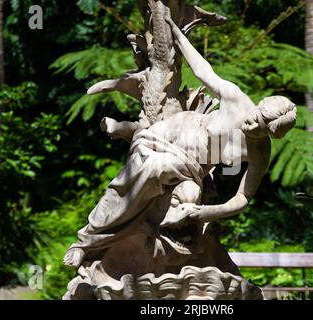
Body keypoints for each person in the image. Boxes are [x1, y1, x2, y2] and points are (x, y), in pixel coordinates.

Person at [63, 16, 296, 268]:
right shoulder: (236, 99)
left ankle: (126, 131)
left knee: (189, 195)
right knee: (144, 174)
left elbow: (242, 198)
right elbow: (202, 70)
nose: (251, 126)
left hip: (191, 168)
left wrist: (206, 212)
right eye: (255, 118)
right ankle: (86, 242)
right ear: (260, 106)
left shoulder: (259, 152)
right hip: (170, 135)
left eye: (259, 129)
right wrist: (176, 33)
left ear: (270, 135)